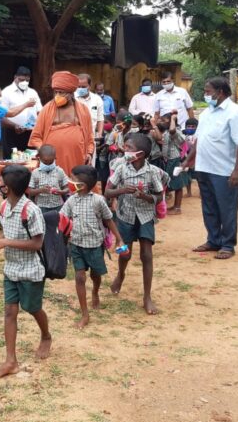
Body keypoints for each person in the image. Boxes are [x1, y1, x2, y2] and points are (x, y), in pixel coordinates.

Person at [0, 165, 52, 379]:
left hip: (30, 270)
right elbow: (9, 234)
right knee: (9, 312)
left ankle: (46, 335)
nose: (0, 184)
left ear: (10, 187)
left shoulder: (31, 211)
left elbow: (37, 244)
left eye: (2, 182)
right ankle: (10, 360)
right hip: (10, 269)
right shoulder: (4, 207)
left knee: (32, 307)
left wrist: (5, 242)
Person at [183, 77, 238, 260]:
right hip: (204, 168)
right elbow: (199, 140)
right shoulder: (206, 113)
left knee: (226, 209)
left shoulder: (235, 113)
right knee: (209, 207)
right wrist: (188, 160)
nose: (205, 95)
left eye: (208, 91)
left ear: (220, 92)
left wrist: (237, 171)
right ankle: (213, 240)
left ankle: (228, 244)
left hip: (223, 170)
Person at [105, 134, 164, 315]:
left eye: (129, 147)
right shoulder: (122, 168)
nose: (125, 149)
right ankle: (121, 274)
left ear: (140, 154)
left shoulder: (152, 172)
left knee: (147, 255)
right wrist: (122, 191)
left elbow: (159, 195)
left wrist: (145, 196)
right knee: (125, 252)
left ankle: (147, 296)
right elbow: (108, 191)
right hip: (125, 216)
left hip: (145, 217)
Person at [61, 165, 123, 328]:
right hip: (76, 244)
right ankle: (84, 314)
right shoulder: (71, 200)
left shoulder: (98, 200)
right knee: (80, 277)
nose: (70, 182)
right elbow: (62, 218)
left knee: (96, 275)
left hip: (95, 245)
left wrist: (119, 239)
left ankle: (95, 291)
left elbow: (109, 220)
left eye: (72, 179)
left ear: (83, 184)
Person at [29, 71, 95, 180]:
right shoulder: (46, 109)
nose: (57, 96)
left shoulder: (83, 109)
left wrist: (89, 153)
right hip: (52, 162)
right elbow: (36, 137)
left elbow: (89, 135)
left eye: (61, 92)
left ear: (71, 93)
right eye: (56, 92)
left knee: (76, 186)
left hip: (77, 158)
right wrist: (45, 153)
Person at [0, 85, 36, 159]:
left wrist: (16, 126)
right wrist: (26, 104)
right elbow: (11, 113)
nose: (0, 99)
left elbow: (5, 116)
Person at [0, 67, 43, 159]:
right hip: (11, 132)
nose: (24, 83)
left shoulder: (33, 92)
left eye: (27, 80)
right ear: (15, 77)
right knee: (12, 159)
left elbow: (40, 112)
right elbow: (1, 117)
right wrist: (15, 126)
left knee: (30, 159)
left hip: (30, 132)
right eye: (21, 80)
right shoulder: (6, 92)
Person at [152, 112, 188, 215]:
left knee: (178, 184)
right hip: (169, 160)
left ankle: (177, 208)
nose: (162, 122)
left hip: (175, 159)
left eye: (165, 120)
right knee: (173, 183)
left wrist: (173, 118)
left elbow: (173, 130)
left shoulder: (175, 131)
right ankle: (175, 206)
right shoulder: (166, 132)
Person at [27, 145, 69, 213]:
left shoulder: (60, 171)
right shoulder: (35, 173)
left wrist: (61, 192)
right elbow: (30, 192)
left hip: (58, 206)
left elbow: (67, 188)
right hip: (41, 207)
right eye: (45, 163)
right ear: (39, 158)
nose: (48, 165)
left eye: (51, 162)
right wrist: (40, 190)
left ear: (55, 158)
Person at [75, 73, 104, 143]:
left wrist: (99, 133)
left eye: (83, 87)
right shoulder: (72, 98)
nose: (81, 89)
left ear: (90, 86)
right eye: (79, 87)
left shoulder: (97, 99)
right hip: (75, 139)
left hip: (91, 139)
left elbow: (100, 119)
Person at [182, 117, 199, 197]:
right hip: (187, 158)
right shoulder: (184, 136)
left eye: (193, 127)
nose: (190, 128)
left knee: (199, 177)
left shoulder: (197, 136)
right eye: (188, 126)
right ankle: (189, 192)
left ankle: (201, 192)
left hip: (196, 159)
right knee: (187, 176)